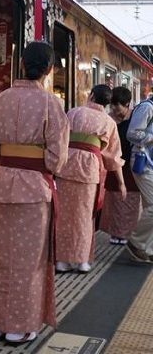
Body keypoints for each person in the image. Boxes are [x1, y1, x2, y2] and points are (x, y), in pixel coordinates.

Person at [0, 41, 69, 343]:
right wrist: (40, 167)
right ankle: (21, 326)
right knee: (29, 259)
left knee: (3, 256)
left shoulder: (1, 99)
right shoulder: (51, 104)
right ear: (48, 70)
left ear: (21, 64)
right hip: (34, 189)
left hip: (3, 182)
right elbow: (57, 157)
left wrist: (10, 165)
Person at [55, 85, 126, 274]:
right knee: (85, 216)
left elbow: (59, 138)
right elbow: (113, 156)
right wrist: (121, 182)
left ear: (92, 96)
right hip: (89, 170)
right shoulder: (109, 122)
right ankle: (81, 260)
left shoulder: (74, 112)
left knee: (63, 214)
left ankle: (61, 260)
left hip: (66, 167)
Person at [99, 87, 141, 245]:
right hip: (114, 163)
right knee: (114, 199)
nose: (114, 109)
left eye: (118, 106)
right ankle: (115, 233)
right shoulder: (110, 119)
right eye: (112, 105)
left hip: (130, 164)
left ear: (127, 104)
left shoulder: (135, 119)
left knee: (130, 199)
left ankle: (126, 233)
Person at [125, 96, 153, 262]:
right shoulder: (147, 107)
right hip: (143, 162)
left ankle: (145, 249)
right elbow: (132, 133)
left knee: (150, 206)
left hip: (150, 163)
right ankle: (136, 241)